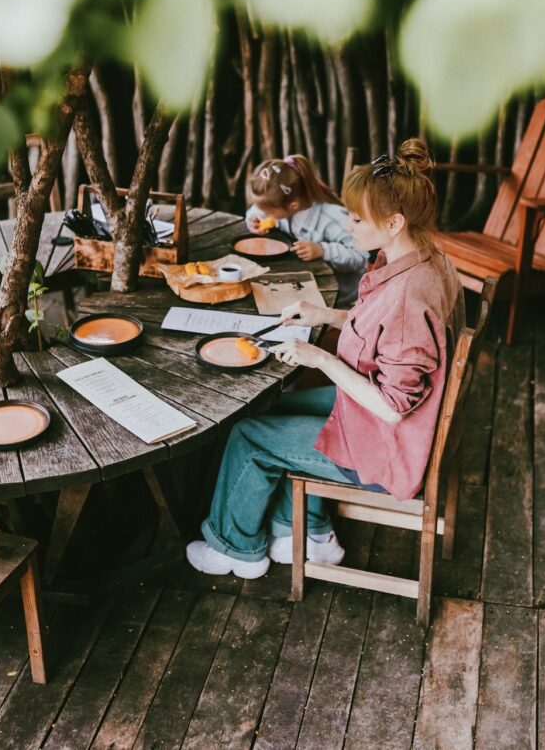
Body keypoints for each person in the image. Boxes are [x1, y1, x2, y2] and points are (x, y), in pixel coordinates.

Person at [186, 139, 464, 578]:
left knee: (249, 434)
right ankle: (307, 532)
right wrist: (326, 314)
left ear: (393, 223)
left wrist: (320, 357)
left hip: (388, 448)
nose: (348, 225)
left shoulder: (412, 296)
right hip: (383, 425)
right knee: (272, 407)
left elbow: (393, 409)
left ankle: (234, 549)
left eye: (356, 218)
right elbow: (382, 328)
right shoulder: (421, 256)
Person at [245, 155, 367, 307]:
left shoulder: (331, 220)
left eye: (269, 213)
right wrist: (253, 219)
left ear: (293, 206)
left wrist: (322, 250)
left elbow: (361, 256)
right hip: (300, 281)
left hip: (336, 294)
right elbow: (258, 210)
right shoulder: (281, 205)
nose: (266, 216)